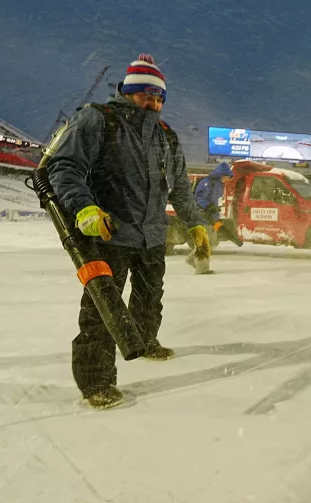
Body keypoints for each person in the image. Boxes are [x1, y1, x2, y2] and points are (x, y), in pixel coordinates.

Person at [47, 53, 210, 409]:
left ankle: (146, 341)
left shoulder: (165, 135)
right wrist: (85, 208)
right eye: (145, 94)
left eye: (159, 97)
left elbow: (180, 187)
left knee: (150, 297)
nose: (153, 102)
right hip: (110, 232)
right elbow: (65, 168)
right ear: (127, 91)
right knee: (103, 308)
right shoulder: (98, 120)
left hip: (153, 234)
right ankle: (96, 382)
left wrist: (195, 222)